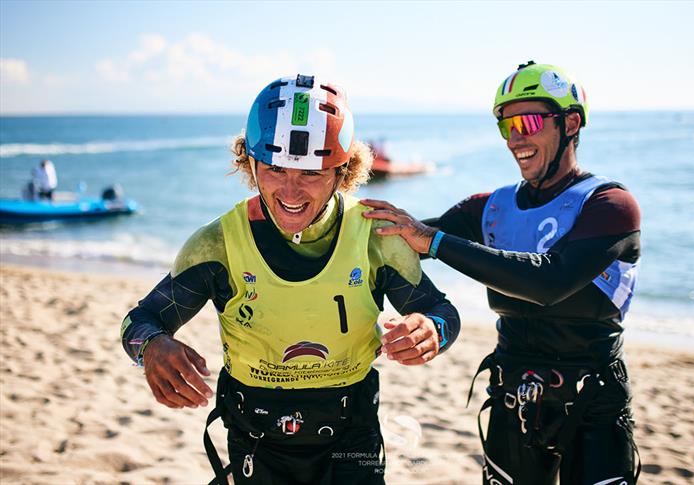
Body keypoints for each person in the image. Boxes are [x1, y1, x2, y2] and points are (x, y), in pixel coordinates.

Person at [120, 74, 460, 485]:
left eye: (312, 173)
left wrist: (432, 331)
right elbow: (139, 321)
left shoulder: (375, 236)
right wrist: (152, 348)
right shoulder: (217, 244)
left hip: (353, 436)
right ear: (251, 163)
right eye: (276, 169)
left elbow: (441, 311)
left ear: (344, 170)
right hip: (256, 440)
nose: (291, 191)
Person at [362, 61, 641, 484]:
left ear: (570, 122)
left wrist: (435, 241)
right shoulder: (489, 207)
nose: (515, 138)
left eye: (527, 121)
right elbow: (396, 244)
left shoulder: (610, 205)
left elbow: (550, 283)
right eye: (505, 126)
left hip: (592, 399)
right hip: (514, 391)